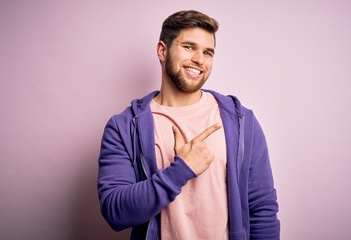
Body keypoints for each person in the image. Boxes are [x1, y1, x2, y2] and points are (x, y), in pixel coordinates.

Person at [98, 10, 280, 240]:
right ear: (162, 51)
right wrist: (181, 170)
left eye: (207, 52)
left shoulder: (241, 122)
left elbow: (262, 208)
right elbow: (115, 212)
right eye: (188, 47)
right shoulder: (123, 127)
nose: (199, 59)